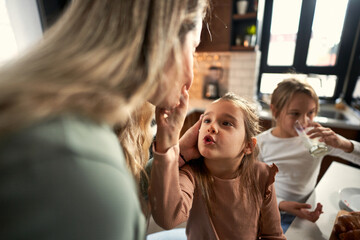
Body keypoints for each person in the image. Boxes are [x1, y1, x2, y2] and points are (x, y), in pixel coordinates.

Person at [0, 0, 209, 239]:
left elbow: (129, 180)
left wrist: (173, 148)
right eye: (193, 48)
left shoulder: (69, 117)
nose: (192, 73)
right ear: (164, 40)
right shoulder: (85, 172)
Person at [149, 93, 286, 240]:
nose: (212, 127)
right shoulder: (190, 173)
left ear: (248, 146)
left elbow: (273, 235)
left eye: (226, 123)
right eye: (206, 120)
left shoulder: (262, 175)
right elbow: (167, 218)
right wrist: (167, 147)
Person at [256, 78, 360, 233]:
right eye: (295, 113)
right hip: (271, 211)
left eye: (310, 113)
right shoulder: (261, 144)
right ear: (275, 111)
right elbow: (250, 188)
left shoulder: (317, 140)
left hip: (306, 212)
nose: (304, 121)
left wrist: (343, 143)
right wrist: (281, 204)